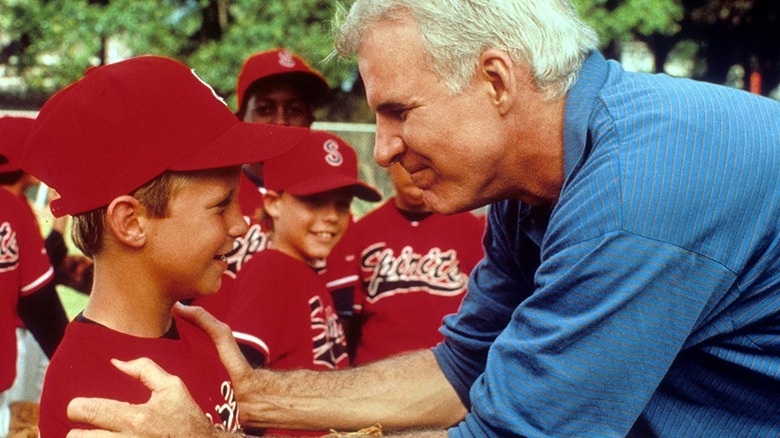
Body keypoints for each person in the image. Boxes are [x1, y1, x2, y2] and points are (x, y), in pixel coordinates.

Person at [64, 1, 780, 437]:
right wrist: (255, 392)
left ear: (497, 81)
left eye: (399, 111)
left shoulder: (630, 194)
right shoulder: (532, 184)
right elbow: (462, 371)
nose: (381, 149)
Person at [22, 55, 307, 436]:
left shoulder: (202, 336)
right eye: (221, 205)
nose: (240, 224)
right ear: (131, 222)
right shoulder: (97, 396)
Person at [226, 130, 381, 436]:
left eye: (341, 204)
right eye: (314, 202)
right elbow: (237, 384)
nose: (332, 217)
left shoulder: (306, 274)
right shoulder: (271, 270)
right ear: (273, 203)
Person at [194, 48, 330, 321]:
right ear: (240, 117)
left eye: (294, 110)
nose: (280, 121)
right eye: (265, 109)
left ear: (311, 122)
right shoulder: (209, 196)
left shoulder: (331, 210)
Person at [326, 162, 485, 364]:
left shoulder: (476, 230)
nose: (415, 171)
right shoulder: (361, 231)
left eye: (425, 160)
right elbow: (347, 324)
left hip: (450, 375)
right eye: (405, 160)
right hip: (376, 376)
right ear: (387, 163)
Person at [0, 116, 68, 437]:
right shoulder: (13, 209)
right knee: (22, 419)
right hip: (13, 336)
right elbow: (39, 293)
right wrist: (72, 357)